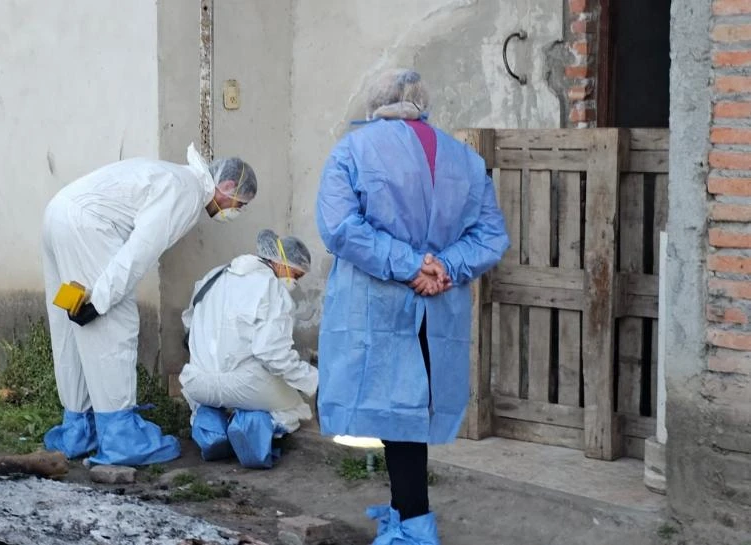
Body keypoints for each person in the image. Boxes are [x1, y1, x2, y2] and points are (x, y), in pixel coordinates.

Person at [316, 69, 509, 544]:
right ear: (423, 103)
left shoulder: (352, 150)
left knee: (396, 417)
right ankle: (407, 513)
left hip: (378, 305)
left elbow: (339, 227)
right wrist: (442, 266)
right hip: (437, 305)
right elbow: (490, 237)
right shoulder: (465, 159)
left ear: (375, 102)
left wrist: (408, 265)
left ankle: (414, 526)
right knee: (408, 416)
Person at [41, 143, 257, 467]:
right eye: (239, 204)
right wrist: (101, 300)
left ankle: (78, 429)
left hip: (58, 214)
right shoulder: (186, 192)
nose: (234, 211)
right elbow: (140, 251)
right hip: (88, 226)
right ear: (226, 186)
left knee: (71, 329)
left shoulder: (173, 178)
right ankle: (121, 438)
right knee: (112, 324)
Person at [179, 229, 318, 469]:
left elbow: (189, 324)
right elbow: (272, 354)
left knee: (211, 397)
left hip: (196, 382)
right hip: (245, 386)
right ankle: (250, 428)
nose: (295, 282)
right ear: (282, 264)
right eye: (296, 275)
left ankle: (210, 427)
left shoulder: (213, 276)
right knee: (295, 407)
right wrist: (313, 380)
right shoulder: (272, 288)